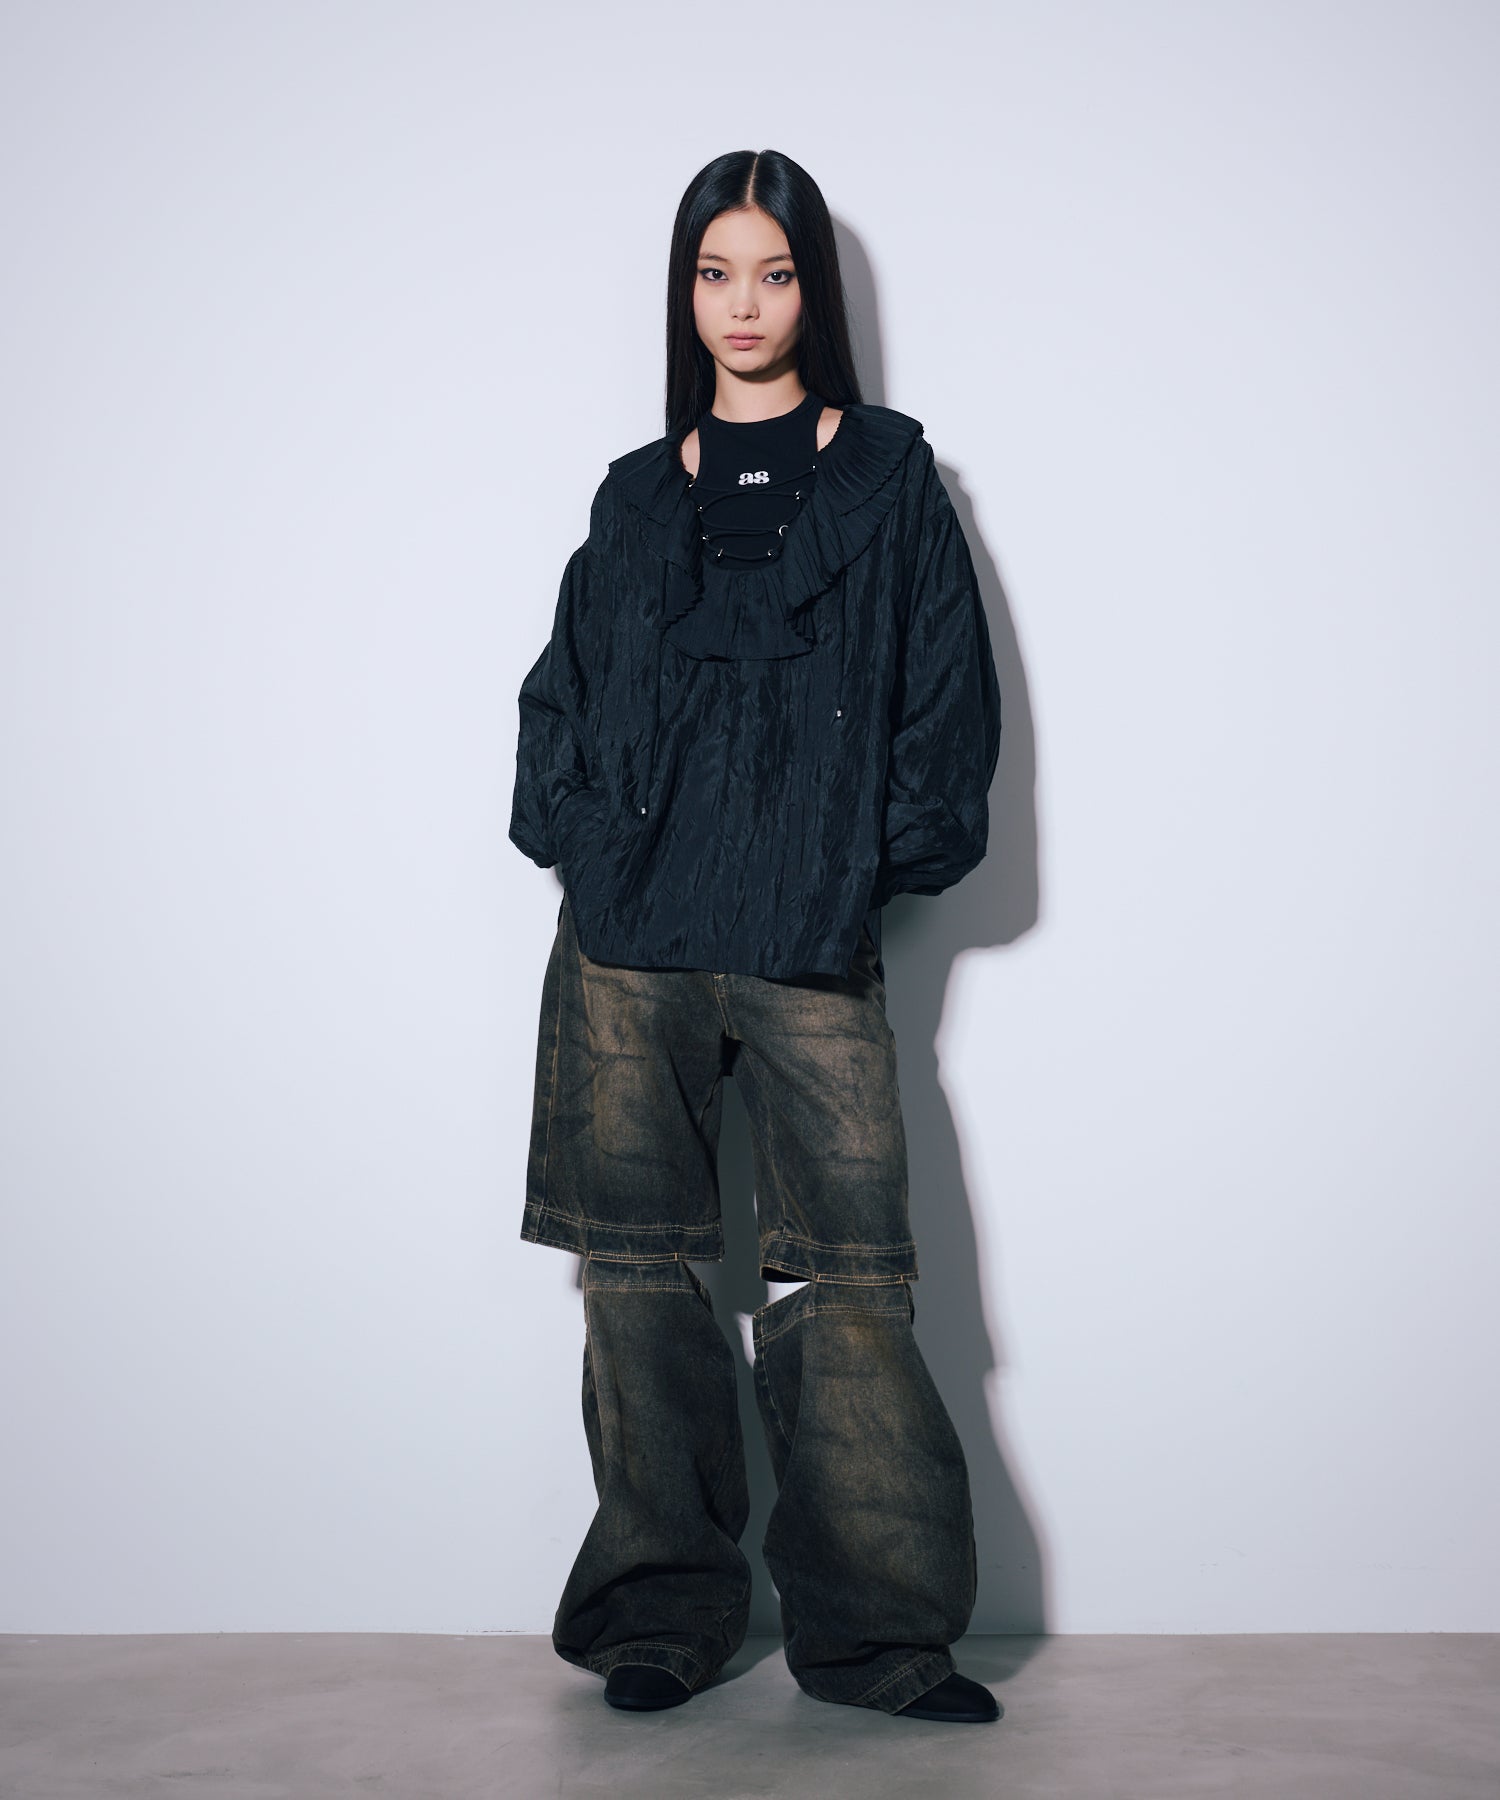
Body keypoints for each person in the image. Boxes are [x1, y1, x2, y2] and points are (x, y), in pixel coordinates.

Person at [509, 149, 1003, 1723]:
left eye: (775, 274)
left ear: (813, 293)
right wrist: (598, 849)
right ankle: (658, 1614)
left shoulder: (892, 481)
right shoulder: (636, 494)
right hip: (626, 953)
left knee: (844, 1282)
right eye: (715, 273)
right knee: (638, 1282)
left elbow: (947, 711)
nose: (744, 306)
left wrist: (848, 870)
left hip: (807, 942)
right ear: (685, 292)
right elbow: (559, 705)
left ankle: (877, 1636)